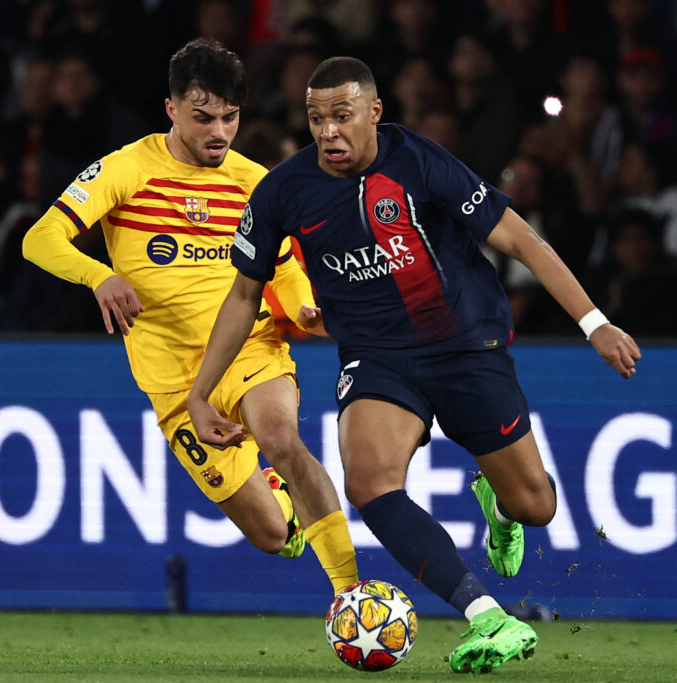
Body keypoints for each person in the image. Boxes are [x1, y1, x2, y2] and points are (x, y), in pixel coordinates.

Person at [188, 57, 641, 673]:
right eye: (316, 119)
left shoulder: (420, 161)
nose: (328, 132)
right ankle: (488, 617)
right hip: (378, 360)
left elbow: (520, 240)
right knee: (369, 483)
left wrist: (595, 323)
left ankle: (500, 508)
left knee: (536, 505)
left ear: (375, 112)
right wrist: (199, 393)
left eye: (342, 117)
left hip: (465, 348)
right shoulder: (282, 192)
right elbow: (243, 295)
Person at [21, 38, 359, 599]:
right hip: (173, 380)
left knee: (280, 437)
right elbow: (40, 238)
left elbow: (282, 265)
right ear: (172, 109)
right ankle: (285, 505)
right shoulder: (126, 169)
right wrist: (98, 276)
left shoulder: (254, 182)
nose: (218, 133)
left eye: (230, 117)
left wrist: (301, 306)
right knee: (274, 534)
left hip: (249, 349)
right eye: (203, 118)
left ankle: (353, 593)